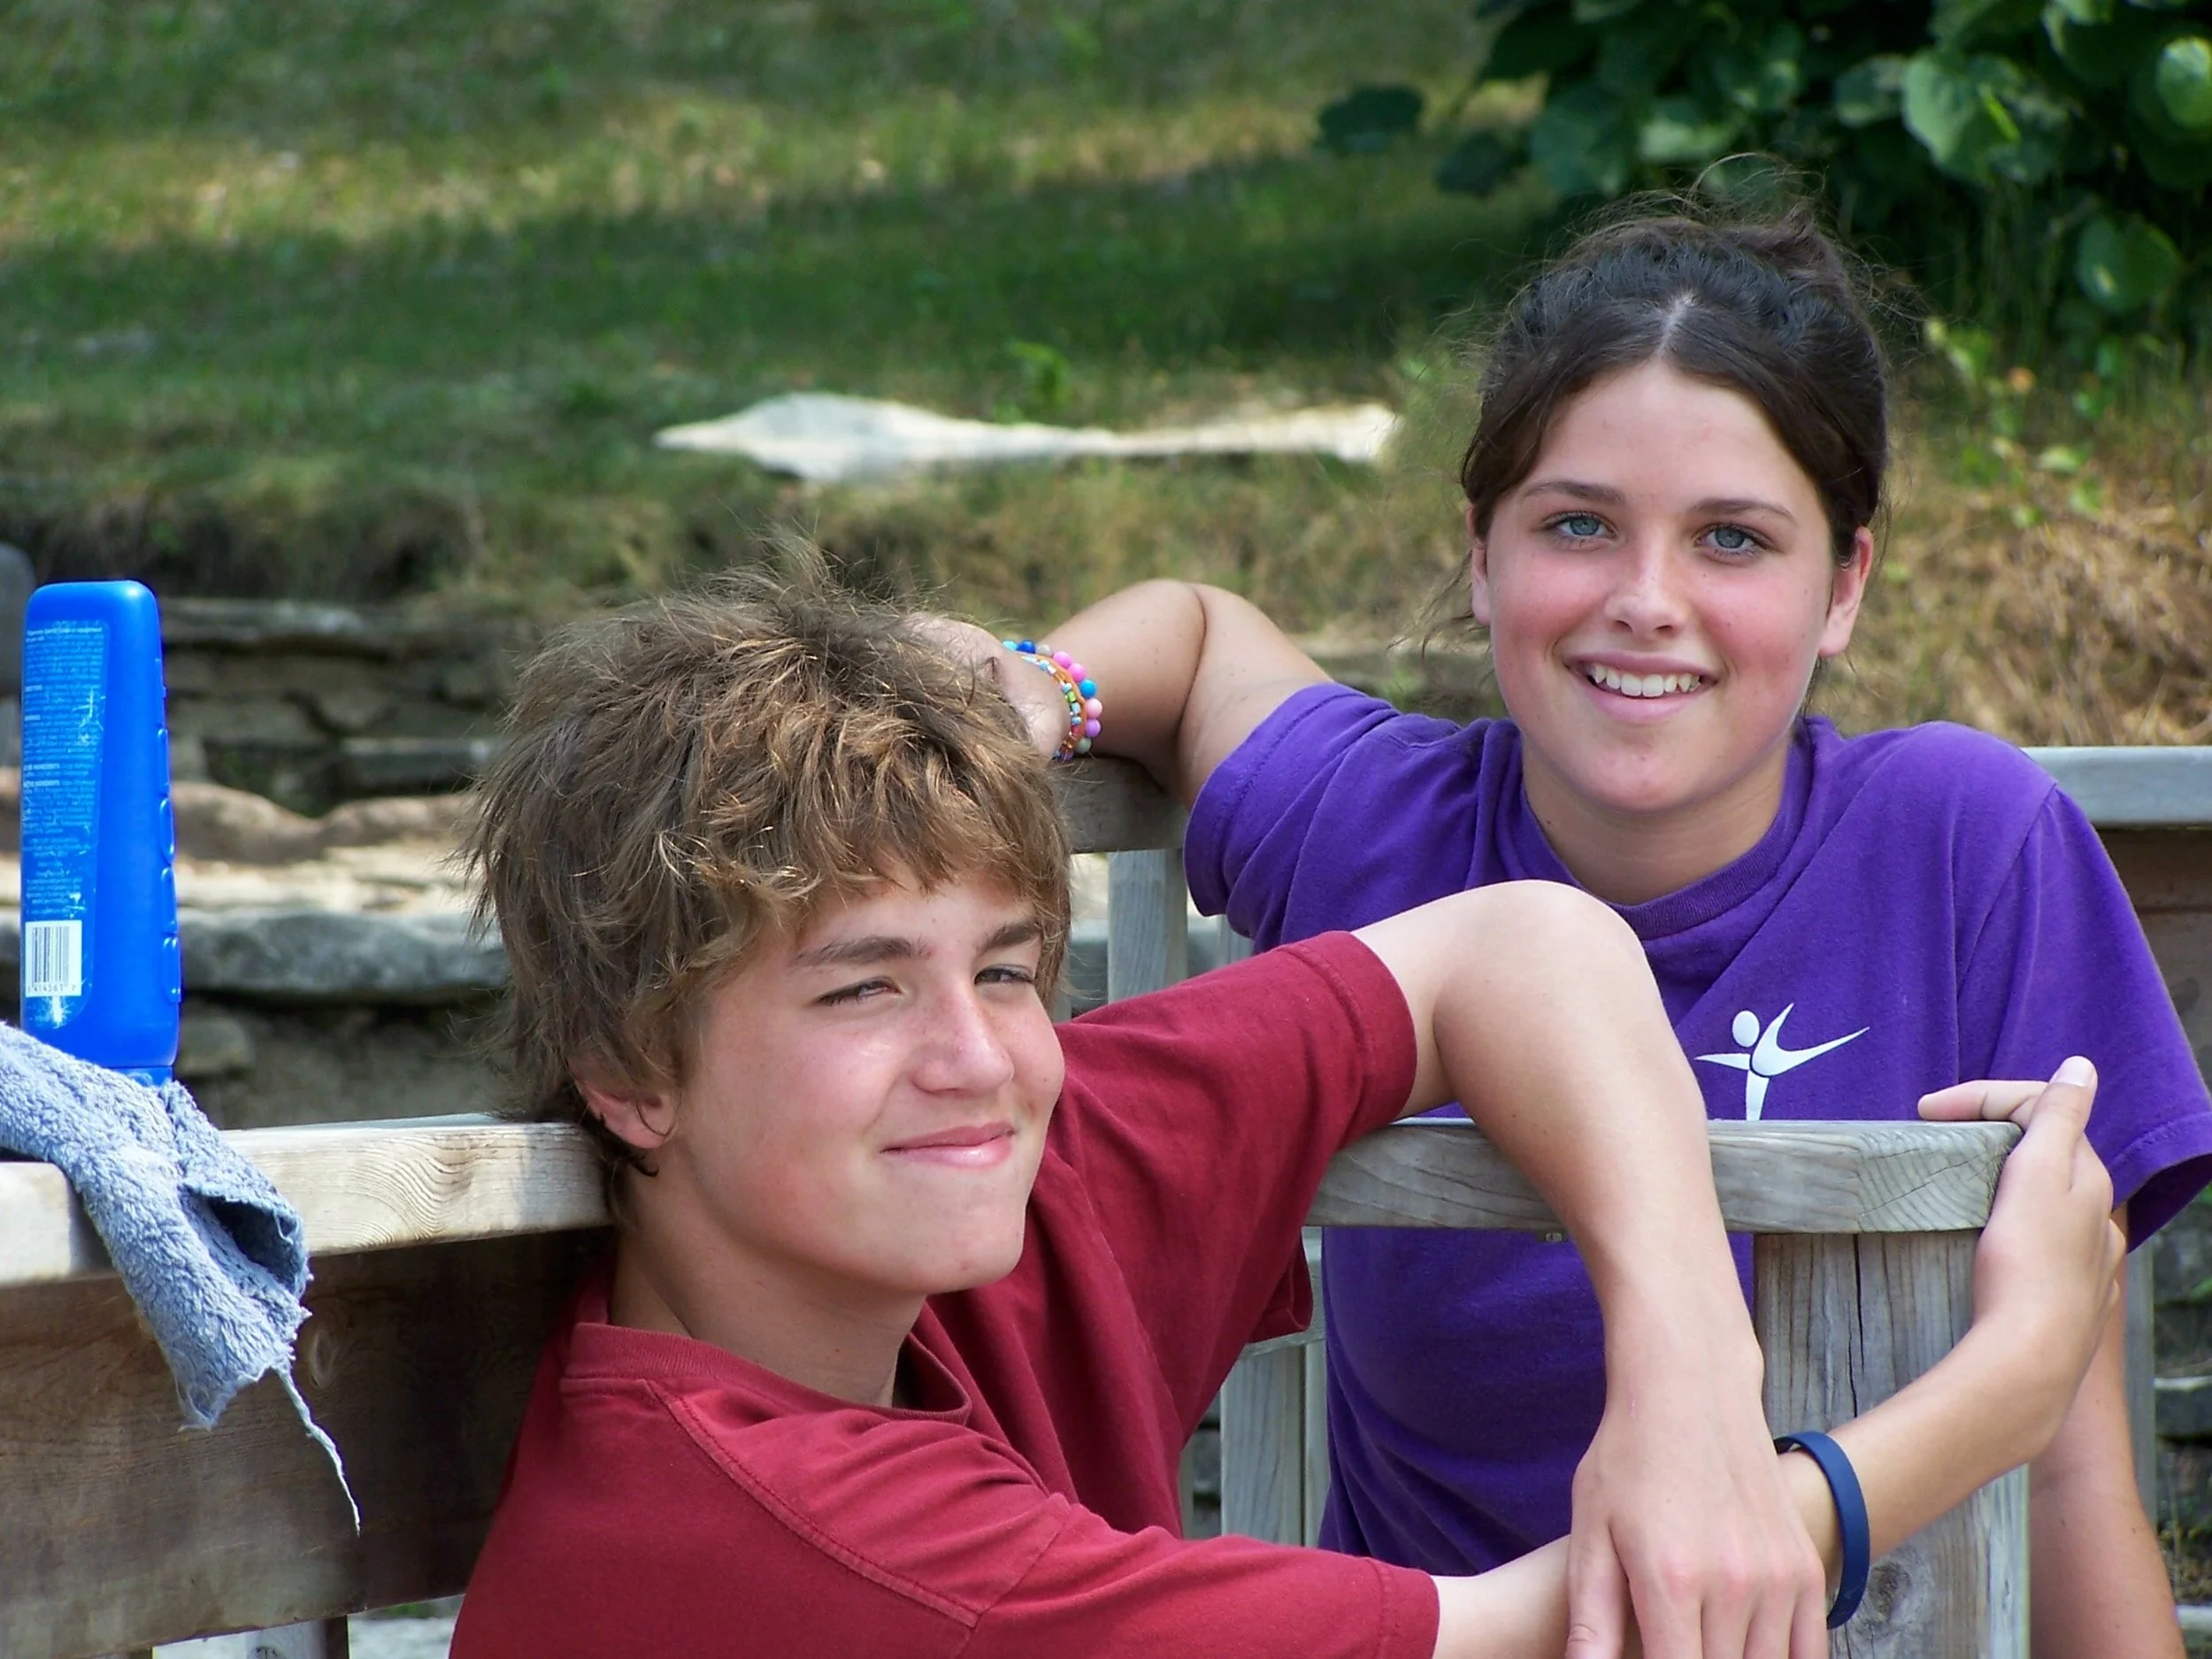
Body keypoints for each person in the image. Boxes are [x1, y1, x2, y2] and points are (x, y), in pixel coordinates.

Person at [452, 572, 2121, 1659]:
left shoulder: (967, 1183)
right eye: (860, 987)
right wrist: (2011, 1380)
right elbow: (1542, 1632)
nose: (979, 1057)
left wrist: (1686, 1382)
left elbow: (1522, 942)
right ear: (629, 1073)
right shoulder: (787, 1542)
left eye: (1015, 969)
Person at [972, 204, 2212, 1655]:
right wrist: (1022, 690)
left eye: (1733, 539)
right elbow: (1191, 635)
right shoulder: (1383, 825)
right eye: (1577, 524)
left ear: (1845, 588)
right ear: (1483, 556)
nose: (1645, 602)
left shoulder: (1967, 844)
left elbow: (2063, 1461)